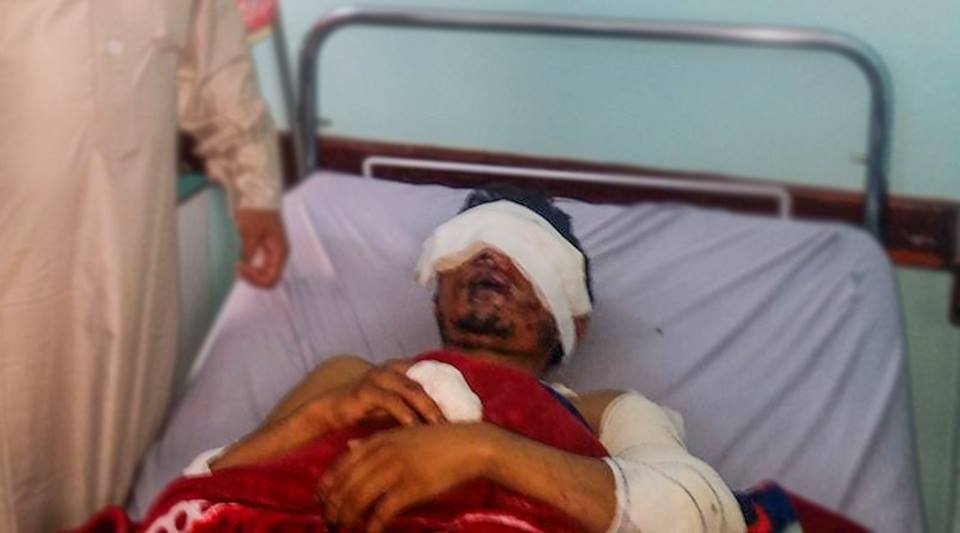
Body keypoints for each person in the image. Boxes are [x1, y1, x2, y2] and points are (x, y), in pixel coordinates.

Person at [166, 186, 746, 533]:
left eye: (528, 255)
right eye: (466, 248)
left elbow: (703, 512)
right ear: (435, 298)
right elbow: (205, 494)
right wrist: (319, 418)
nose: (488, 259)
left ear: (575, 321)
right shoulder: (352, 379)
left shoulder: (603, 411)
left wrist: (482, 451)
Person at [0, 1, 287, 530]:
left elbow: (216, 67)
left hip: (130, 244)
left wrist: (256, 191)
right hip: (18, 247)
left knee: (115, 441)